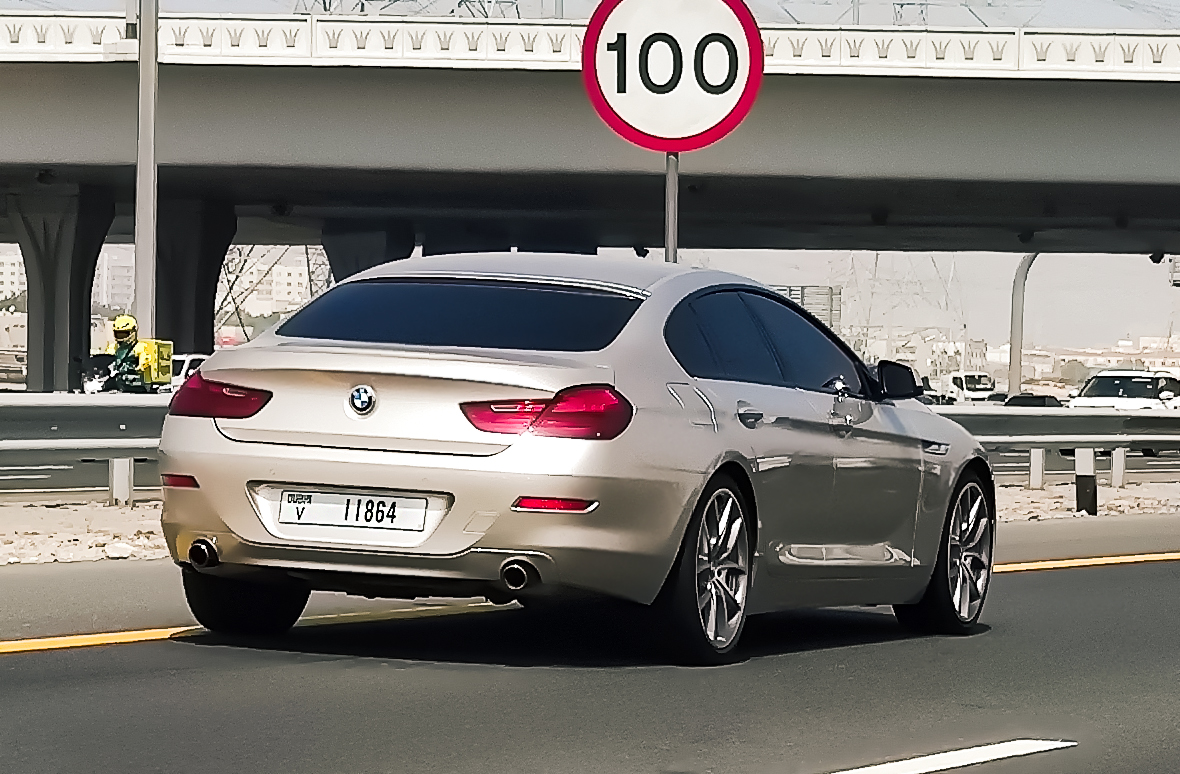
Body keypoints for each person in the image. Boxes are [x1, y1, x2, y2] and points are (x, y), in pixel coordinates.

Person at [106, 314, 149, 393]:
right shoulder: (113, 347)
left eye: (124, 334)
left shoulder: (140, 347)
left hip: (134, 382)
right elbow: (106, 361)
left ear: (133, 332)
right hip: (116, 383)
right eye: (118, 333)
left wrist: (140, 367)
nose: (120, 337)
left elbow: (144, 363)